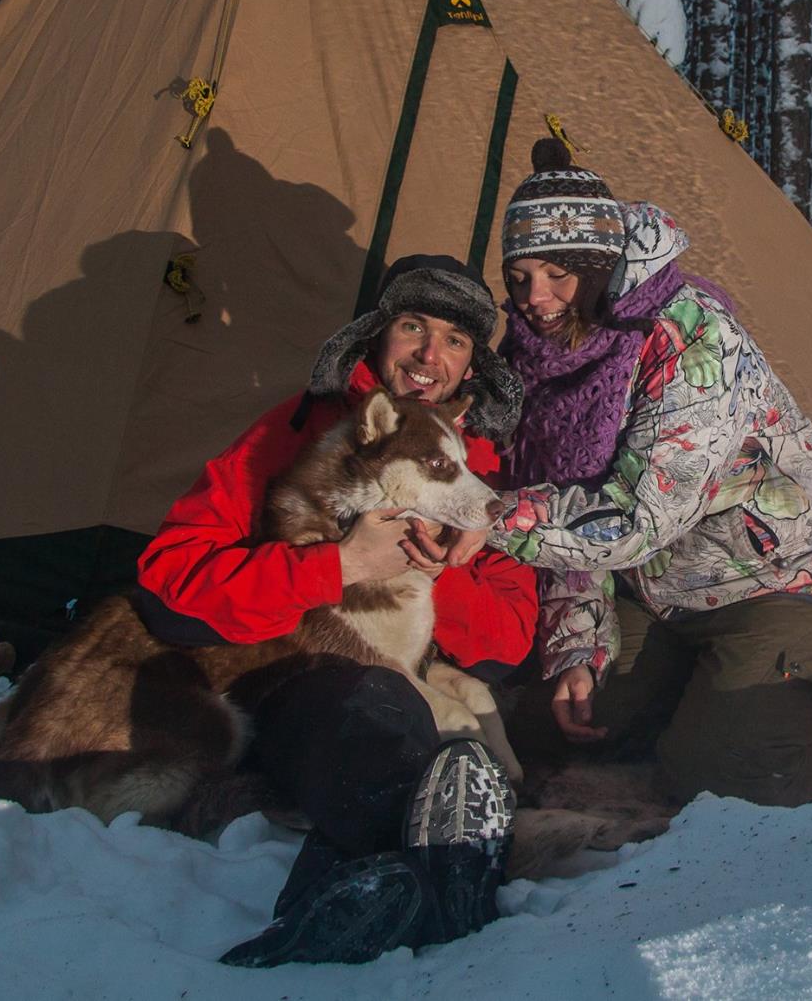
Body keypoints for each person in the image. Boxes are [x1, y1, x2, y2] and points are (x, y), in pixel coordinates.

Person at [133, 254, 533, 968]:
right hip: (294, 675)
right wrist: (335, 566)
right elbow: (169, 579)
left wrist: (451, 568)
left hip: (410, 672)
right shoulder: (296, 429)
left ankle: (394, 886)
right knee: (373, 706)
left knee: (414, 705)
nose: (428, 355)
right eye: (413, 326)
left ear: (473, 364)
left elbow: (509, 635)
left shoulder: (471, 466)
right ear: (379, 334)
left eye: (455, 339)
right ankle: (396, 885)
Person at [479, 138, 812, 808]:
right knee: (549, 725)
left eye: (558, 274)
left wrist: (488, 516)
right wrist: (577, 651)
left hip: (778, 582)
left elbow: (636, 518)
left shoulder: (691, 334)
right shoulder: (536, 356)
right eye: (520, 278)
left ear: (598, 264)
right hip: (659, 594)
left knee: (725, 781)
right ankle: (697, 694)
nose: (537, 299)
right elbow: (567, 519)